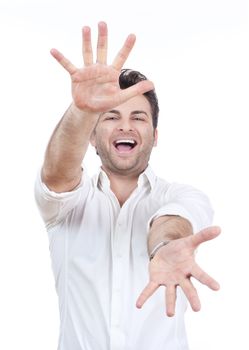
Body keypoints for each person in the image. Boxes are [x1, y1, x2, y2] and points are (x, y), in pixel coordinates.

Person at [35, 21, 220, 350]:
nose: (126, 126)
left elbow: (171, 223)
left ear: (155, 135)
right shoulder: (67, 206)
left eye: (138, 117)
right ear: (91, 136)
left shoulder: (182, 195)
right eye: (110, 116)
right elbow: (57, 175)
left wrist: (165, 249)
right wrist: (82, 110)